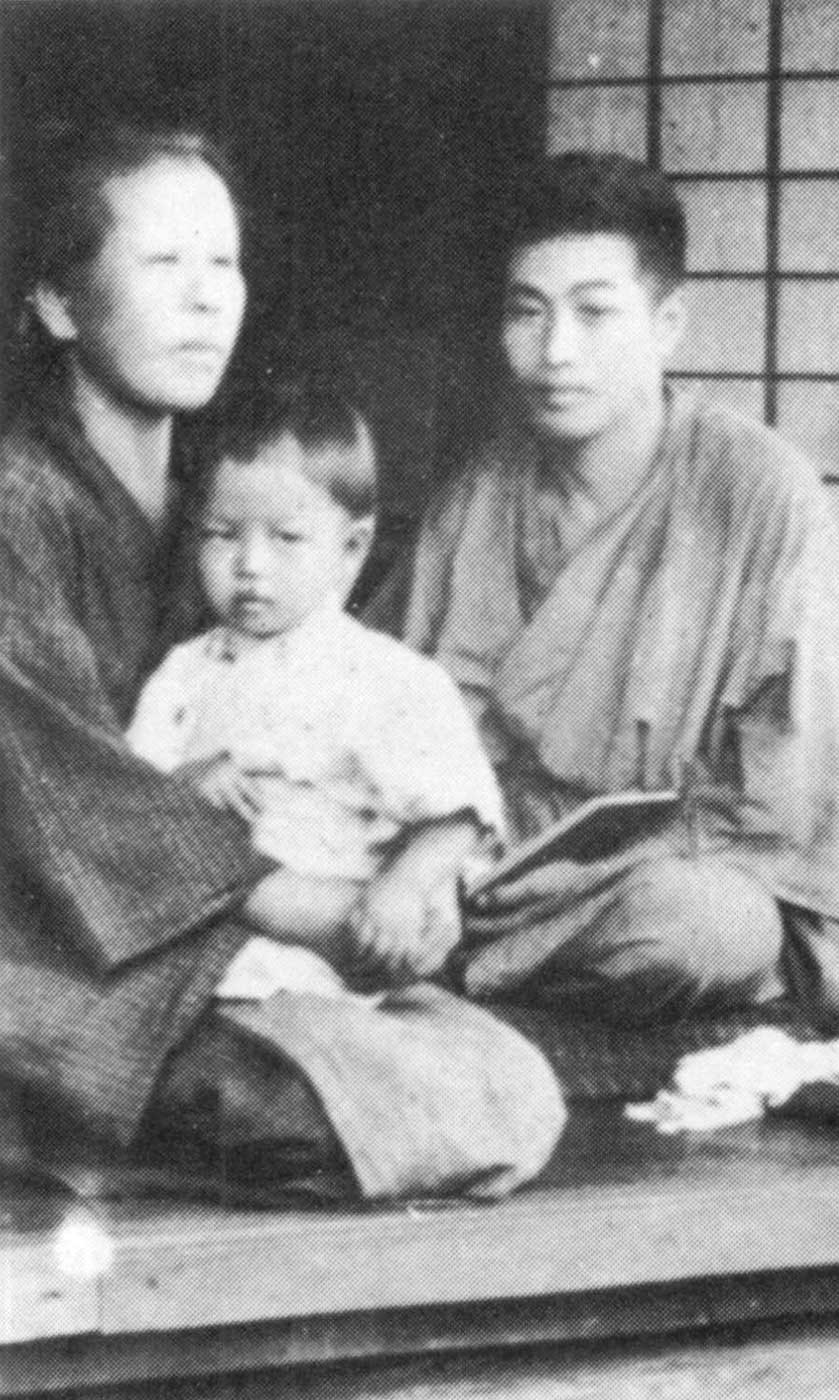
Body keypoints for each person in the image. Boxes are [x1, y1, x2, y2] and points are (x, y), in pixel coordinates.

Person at [0, 120, 562, 1200]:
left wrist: (409, 886)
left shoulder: (216, 516)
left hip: (208, 939)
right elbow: (67, 809)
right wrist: (328, 910)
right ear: (61, 302)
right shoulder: (18, 505)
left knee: (502, 1082)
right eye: (164, 262)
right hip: (53, 945)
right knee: (362, 1102)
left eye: (223, 262)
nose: (205, 297)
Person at [379, 152, 839, 1036]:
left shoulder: (757, 492)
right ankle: (461, 955)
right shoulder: (480, 493)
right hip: (473, 873)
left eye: (593, 313)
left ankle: (466, 971)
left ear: (667, 324)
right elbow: (381, 701)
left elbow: (803, 789)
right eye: (527, 312)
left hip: (645, 888)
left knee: (709, 927)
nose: (555, 351)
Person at [127, 378, 503, 998]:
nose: (250, 565)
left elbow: (461, 815)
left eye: (286, 538)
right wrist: (186, 783)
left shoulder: (383, 677)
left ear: (351, 548)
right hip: (203, 930)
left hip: (337, 933)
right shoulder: (184, 671)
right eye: (222, 534)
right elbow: (127, 803)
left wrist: (404, 885)